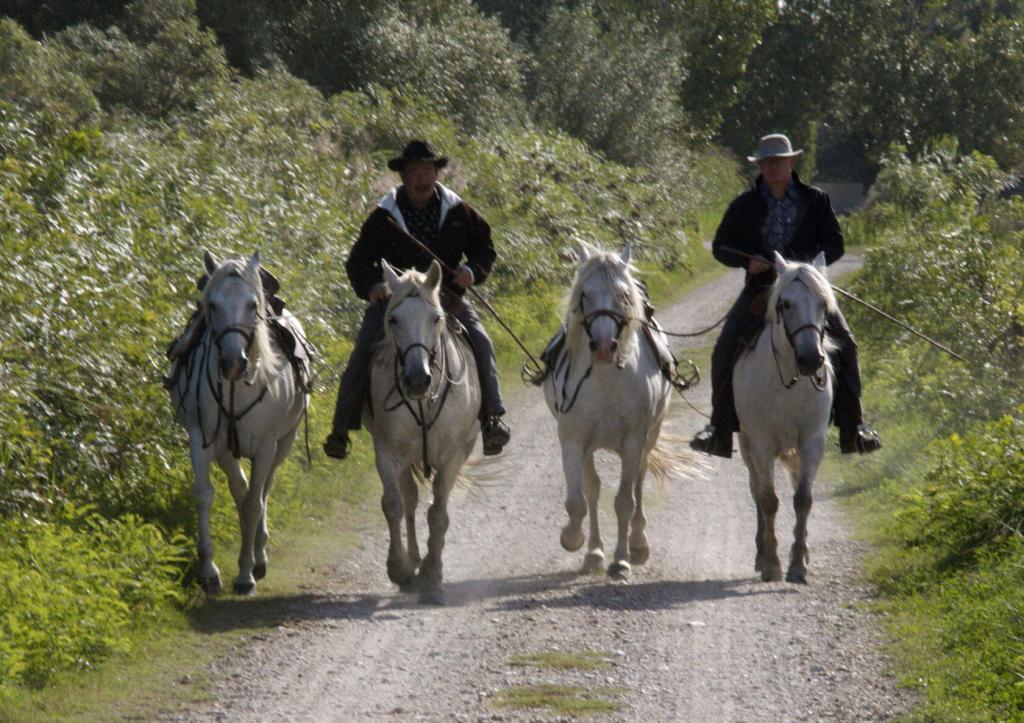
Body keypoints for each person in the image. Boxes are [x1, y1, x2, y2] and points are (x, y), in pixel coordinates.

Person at [689, 133, 881, 458]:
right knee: (723, 349)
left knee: (846, 344)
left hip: (807, 289)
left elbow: (836, 244)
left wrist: (806, 268)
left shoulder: (816, 200)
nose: (773, 168)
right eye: (767, 163)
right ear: (760, 167)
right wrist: (746, 262)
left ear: (792, 162)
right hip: (761, 291)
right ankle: (719, 429)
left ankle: (854, 427)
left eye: (779, 161)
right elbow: (721, 245)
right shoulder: (744, 205)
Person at [323, 139, 511, 460]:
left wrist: (471, 270)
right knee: (361, 353)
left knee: (480, 341)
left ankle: (491, 417)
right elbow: (357, 262)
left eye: (426, 171)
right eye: (413, 172)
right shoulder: (384, 216)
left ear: (436, 174)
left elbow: (485, 249)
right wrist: (372, 286)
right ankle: (341, 429)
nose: (420, 179)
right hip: (394, 303)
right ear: (403, 176)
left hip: (446, 299)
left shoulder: (459, 211)